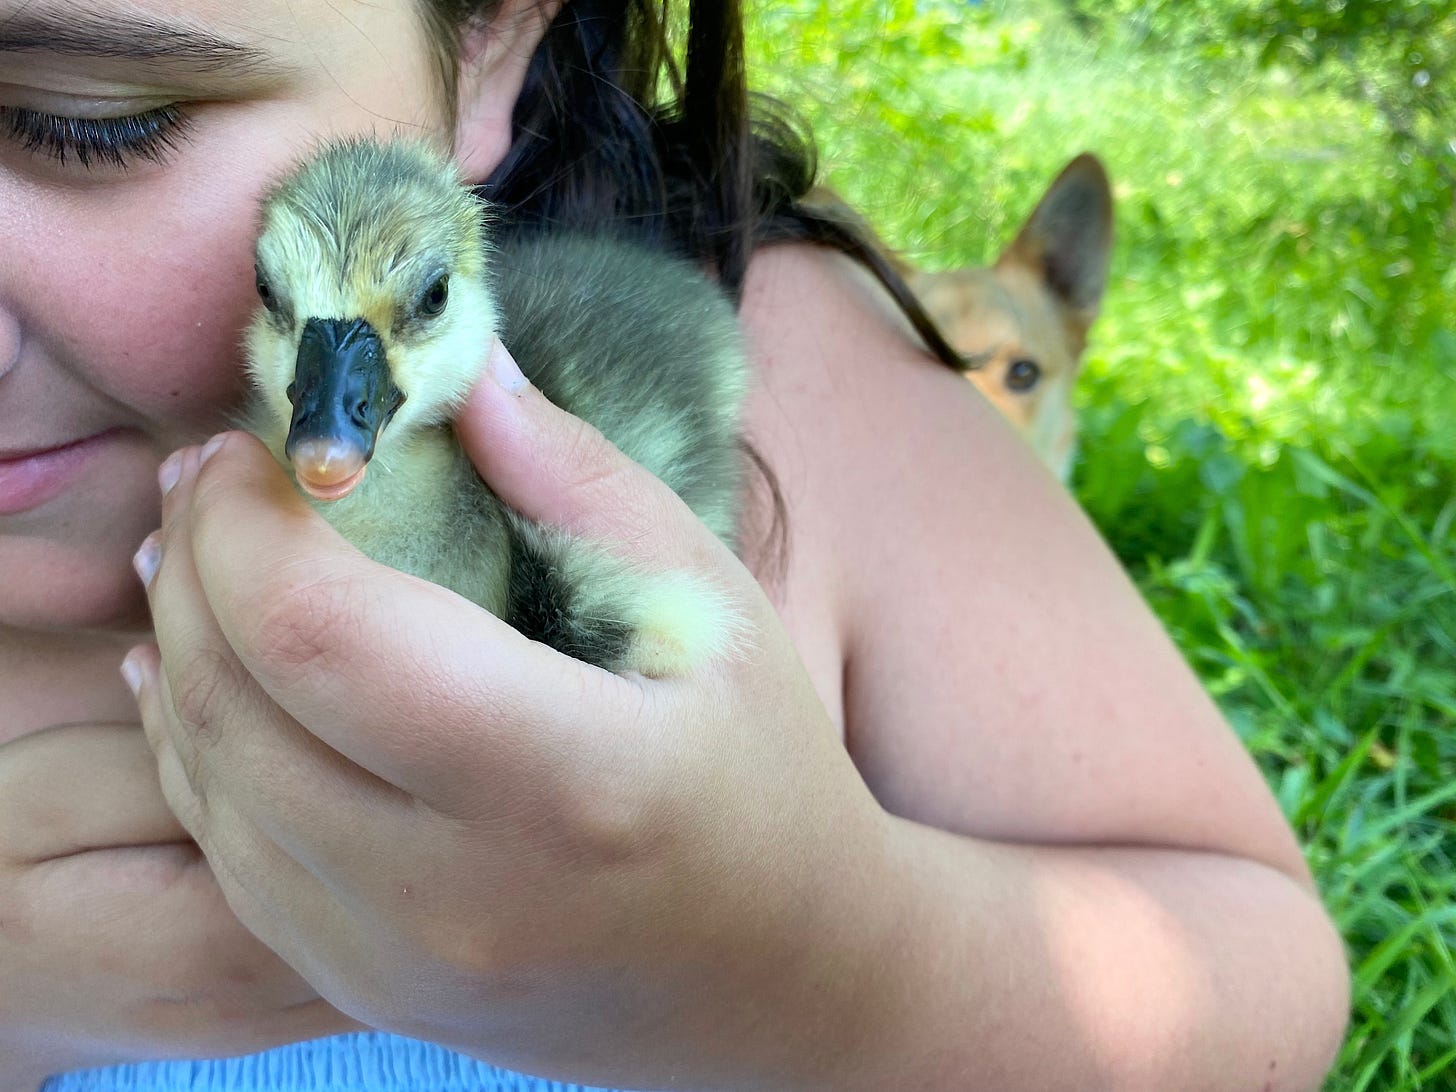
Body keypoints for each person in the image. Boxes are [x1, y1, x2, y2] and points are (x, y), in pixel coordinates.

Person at [0, 0, 1350, 1088]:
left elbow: (1254, 966)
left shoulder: (805, 391)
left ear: (492, 30)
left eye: (86, 122)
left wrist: (808, 958)